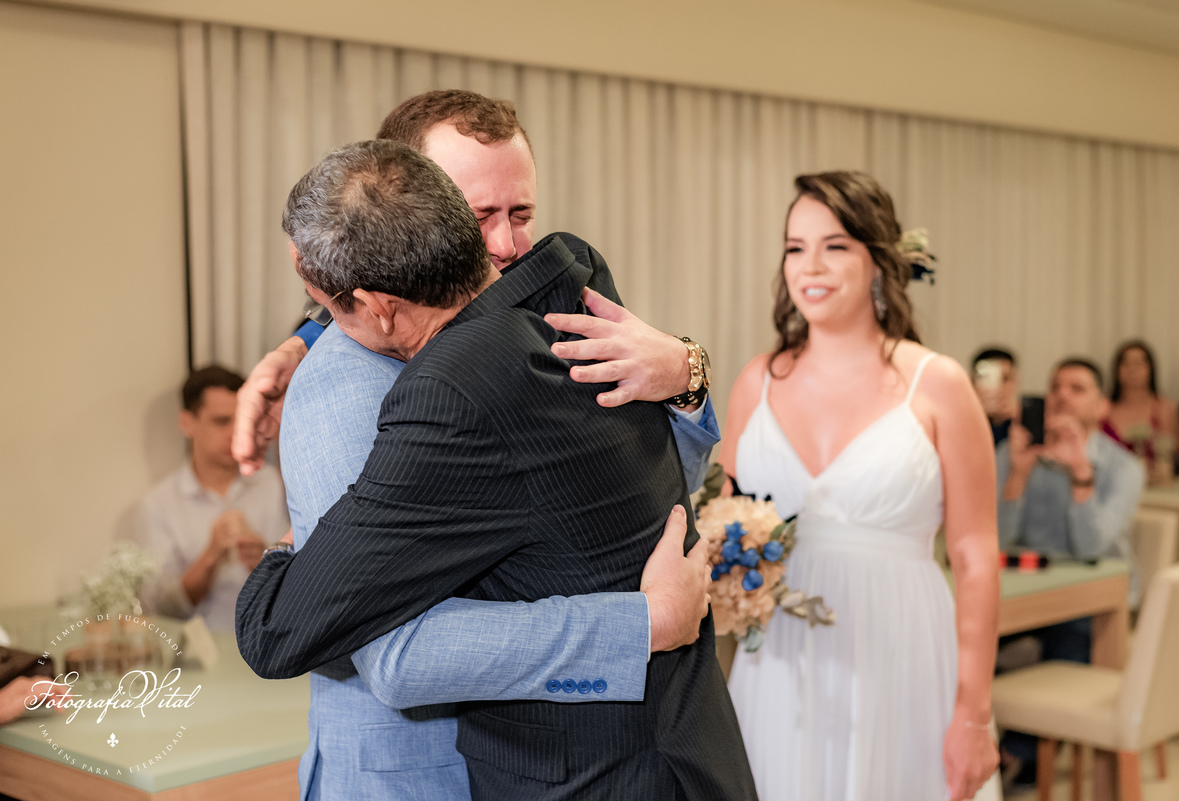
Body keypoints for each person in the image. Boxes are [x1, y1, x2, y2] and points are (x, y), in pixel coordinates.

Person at [235, 140, 753, 800]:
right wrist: (305, 336)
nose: (505, 238)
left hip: (598, 777)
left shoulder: (449, 390)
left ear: (381, 304)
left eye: (324, 303)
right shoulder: (574, 278)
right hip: (690, 752)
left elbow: (276, 630)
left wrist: (299, 545)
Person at [232, 91, 720, 493]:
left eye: (522, 215)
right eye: (477, 217)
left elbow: (675, 483)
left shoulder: (566, 310)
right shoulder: (347, 375)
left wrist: (685, 376)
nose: (506, 245)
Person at [720, 171, 1001, 801]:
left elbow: (976, 556)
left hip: (901, 652)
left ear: (879, 261)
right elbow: (723, 523)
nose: (810, 266)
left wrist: (974, 713)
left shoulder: (939, 385)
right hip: (781, 663)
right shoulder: (754, 383)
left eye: (835, 245)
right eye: (795, 247)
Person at [995, 357, 1145, 783]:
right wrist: (1018, 478)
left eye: (1077, 388)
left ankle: (1018, 757)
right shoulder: (1014, 451)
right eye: (1056, 385)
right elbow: (994, 541)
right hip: (1026, 593)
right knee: (963, 634)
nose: (1062, 394)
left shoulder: (1123, 468)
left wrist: (1081, 472)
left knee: (1073, 635)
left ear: (1101, 407)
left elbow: (1091, 547)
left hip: (1095, 603)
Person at [134, 366, 289, 631]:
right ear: (187, 423)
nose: (235, 432)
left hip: (272, 646)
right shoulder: (159, 504)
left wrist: (266, 560)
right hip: (197, 664)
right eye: (221, 421)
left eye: (241, 420)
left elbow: (304, 583)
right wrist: (210, 556)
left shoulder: (273, 483)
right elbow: (159, 609)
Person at [1101, 340, 1178, 484]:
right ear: (1116, 368)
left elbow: (1168, 457)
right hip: (1106, 484)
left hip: (1152, 487)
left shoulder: (1164, 408)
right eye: (1125, 363)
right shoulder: (1102, 407)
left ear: (1151, 368)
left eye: (1139, 363)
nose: (1132, 369)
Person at [971, 347, 1019, 445]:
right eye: (987, 379)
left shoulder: (1031, 426)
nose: (998, 388)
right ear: (972, 382)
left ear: (1015, 382)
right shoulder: (957, 424)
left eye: (1006, 378)